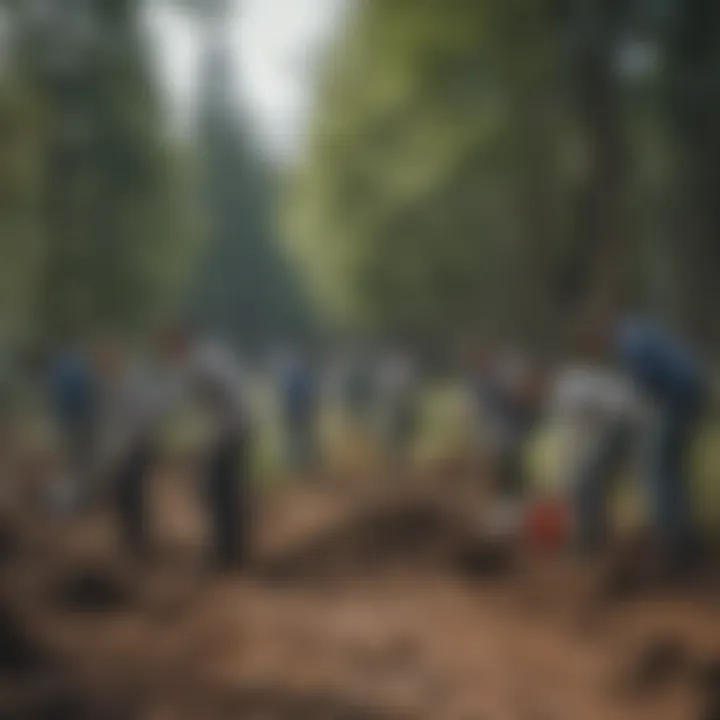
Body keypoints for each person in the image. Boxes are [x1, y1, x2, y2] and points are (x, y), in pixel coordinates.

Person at [576, 303, 707, 565]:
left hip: (679, 398)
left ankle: (674, 544)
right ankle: (680, 537)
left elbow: (642, 392)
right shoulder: (639, 329)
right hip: (688, 393)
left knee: (658, 469)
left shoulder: (629, 340)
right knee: (667, 468)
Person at [160, 326, 252, 569]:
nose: (169, 356)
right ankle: (229, 547)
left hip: (231, 431)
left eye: (169, 349)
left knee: (219, 491)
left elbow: (219, 406)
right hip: (232, 430)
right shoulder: (203, 361)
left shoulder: (201, 366)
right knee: (220, 491)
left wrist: (204, 447)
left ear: (180, 344)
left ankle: (229, 550)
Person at [94, 337, 161, 557]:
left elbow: (145, 417)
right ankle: (129, 536)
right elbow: (110, 423)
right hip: (122, 449)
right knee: (122, 494)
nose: (104, 366)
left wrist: (131, 445)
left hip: (138, 447)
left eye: (107, 360)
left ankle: (139, 539)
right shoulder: (109, 387)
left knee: (134, 493)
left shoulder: (134, 384)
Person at [47, 344, 98, 513]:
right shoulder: (80, 368)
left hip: (73, 422)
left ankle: (77, 498)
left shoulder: (62, 369)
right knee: (81, 461)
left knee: (74, 460)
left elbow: (58, 399)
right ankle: (81, 497)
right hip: (82, 422)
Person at [277, 348, 318, 473]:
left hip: (295, 411)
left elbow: (287, 395)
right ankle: (302, 462)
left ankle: (299, 462)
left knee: (298, 437)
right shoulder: (302, 374)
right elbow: (307, 395)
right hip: (298, 411)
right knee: (301, 437)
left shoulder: (293, 374)